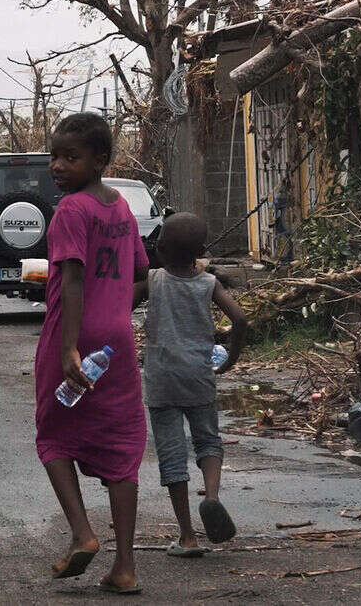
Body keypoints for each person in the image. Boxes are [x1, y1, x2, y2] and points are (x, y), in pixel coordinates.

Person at [35, 112, 148, 595]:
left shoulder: (70, 211)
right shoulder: (121, 206)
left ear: (100, 160)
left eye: (70, 156)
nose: (58, 165)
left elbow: (74, 278)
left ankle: (82, 532)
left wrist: (68, 350)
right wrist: (117, 313)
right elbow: (142, 272)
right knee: (122, 449)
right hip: (118, 343)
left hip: (74, 337)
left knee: (54, 436)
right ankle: (125, 568)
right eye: (54, 155)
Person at [135, 212, 248, 556]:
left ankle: (187, 536)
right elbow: (241, 318)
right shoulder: (207, 284)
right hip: (198, 376)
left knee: (172, 455)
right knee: (208, 441)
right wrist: (231, 358)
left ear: (162, 249)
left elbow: (120, 304)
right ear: (200, 251)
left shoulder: (153, 281)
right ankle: (211, 497)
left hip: (162, 379)